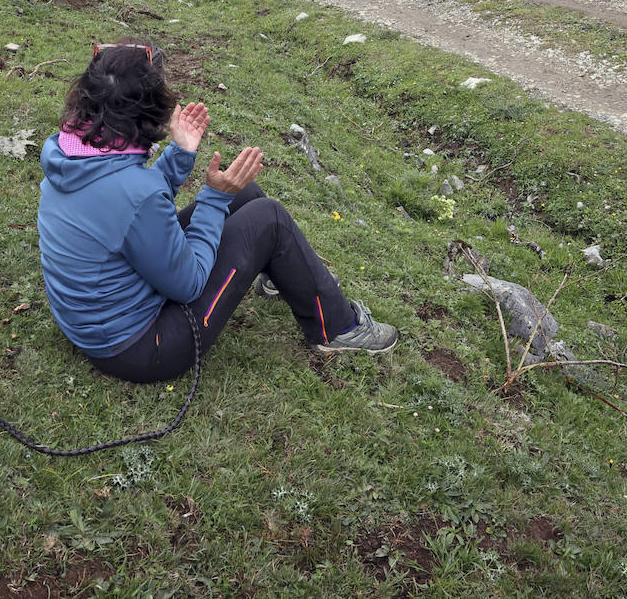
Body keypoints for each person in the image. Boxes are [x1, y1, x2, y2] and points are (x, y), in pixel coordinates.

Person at [36, 42, 399, 384]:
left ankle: (288, 274)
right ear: (146, 114)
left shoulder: (71, 152)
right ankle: (338, 327)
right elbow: (189, 282)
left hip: (91, 324)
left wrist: (180, 154)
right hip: (139, 349)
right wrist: (212, 198)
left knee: (247, 195)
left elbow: (128, 208)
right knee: (268, 218)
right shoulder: (135, 194)